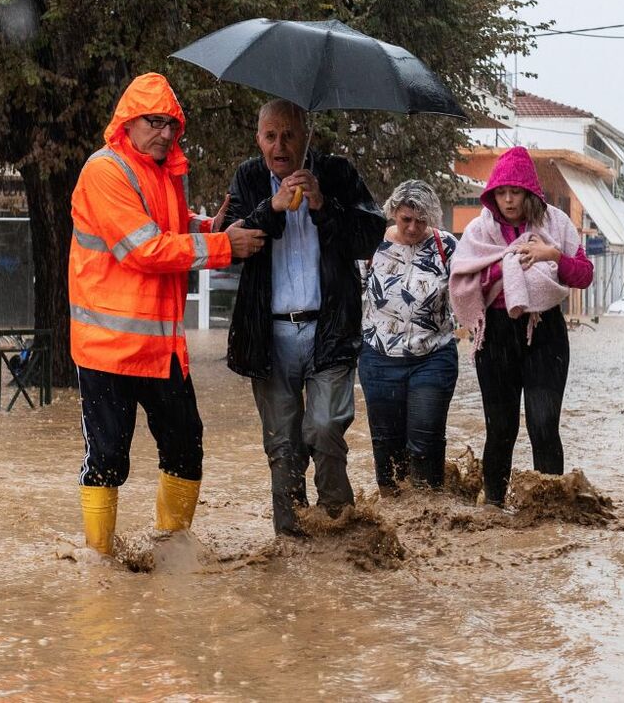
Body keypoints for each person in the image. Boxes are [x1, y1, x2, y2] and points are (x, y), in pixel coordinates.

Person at [70, 72, 267, 555]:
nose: (164, 133)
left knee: (185, 448)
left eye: (172, 125)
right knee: (108, 459)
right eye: (154, 122)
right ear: (128, 123)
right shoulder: (104, 170)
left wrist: (209, 224)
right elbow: (144, 249)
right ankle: (100, 563)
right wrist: (223, 245)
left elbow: (171, 229)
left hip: (162, 349)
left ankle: (174, 554)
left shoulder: (166, 172)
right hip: (108, 351)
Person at [225, 99, 386, 534]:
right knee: (282, 445)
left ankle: (339, 526)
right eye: (271, 136)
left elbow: (371, 235)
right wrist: (272, 208)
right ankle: (291, 541)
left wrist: (323, 205)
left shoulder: (337, 173)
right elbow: (232, 245)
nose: (280, 145)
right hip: (270, 334)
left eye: (289, 134)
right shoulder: (249, 177)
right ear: (258, 139)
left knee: (324, 427)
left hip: (329, 328)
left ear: (304, 136)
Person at [449, 146, 594, 507]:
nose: (509, 200)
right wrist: (505, 264)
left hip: (545, 333)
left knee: (543, 427)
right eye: (501, 192)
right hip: (495, 334)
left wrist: (552, 256)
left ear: (530, 192)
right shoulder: (479, 230)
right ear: (492, 193)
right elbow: (463, 279)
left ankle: (549, 512)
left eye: (515, 192)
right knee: (500, 429)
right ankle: (495, 509)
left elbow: (584, 275)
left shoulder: (555, 224)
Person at [358, 180, 458, 495]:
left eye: (421, 221)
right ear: (394, 214)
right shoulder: (371, 243)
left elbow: (467, 293)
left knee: (425, 438)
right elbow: (352, 292)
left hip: (433, 356)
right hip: (379, 358)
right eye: (406, 220)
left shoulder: (447, 246)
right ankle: (392, 509)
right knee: (386, 443)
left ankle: (429, 512)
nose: (413, 228)